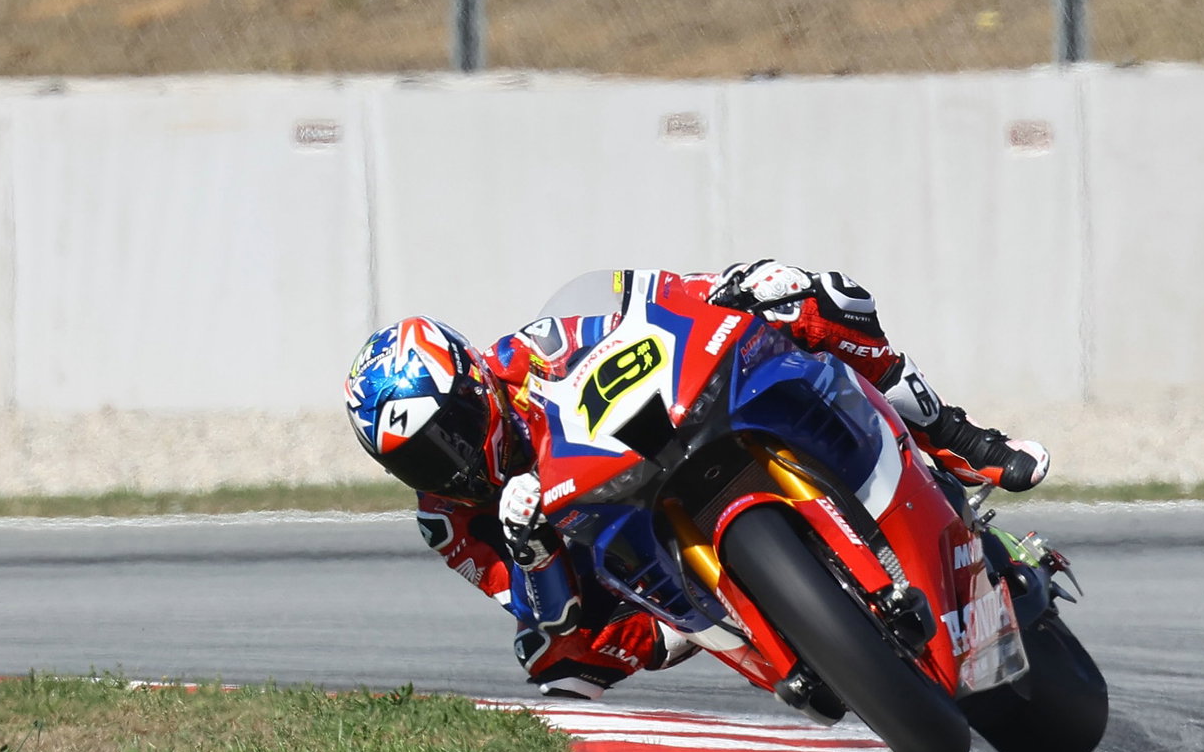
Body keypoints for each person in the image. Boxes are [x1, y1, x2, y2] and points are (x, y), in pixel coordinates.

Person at [343, 260, 1049, 701]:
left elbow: (656, 301)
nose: (453, 465)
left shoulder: (532, 353)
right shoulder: (448, 517)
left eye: (451, 435)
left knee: (812, 295)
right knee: (554, 666)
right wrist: (529, 547)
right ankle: (766, 637)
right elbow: (542, 619)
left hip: (659, 439)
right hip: (617, 566)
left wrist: (729, 287)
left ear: (473, 386)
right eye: (419, 462)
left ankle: (955, 442)